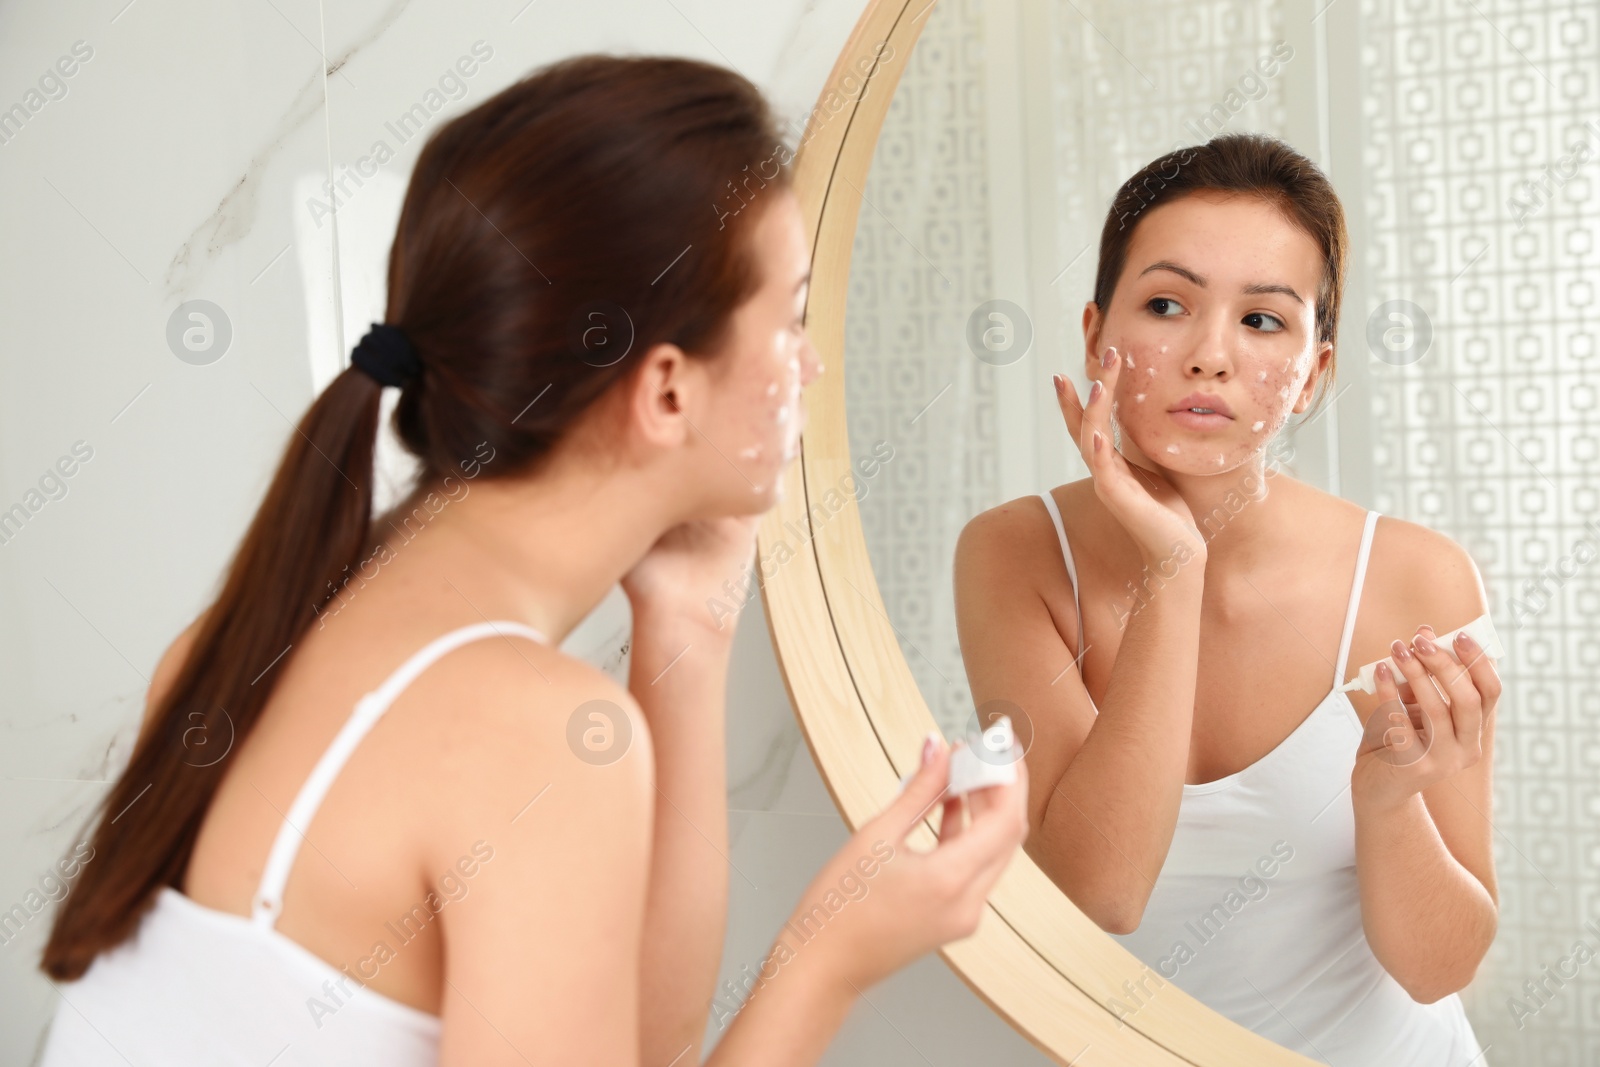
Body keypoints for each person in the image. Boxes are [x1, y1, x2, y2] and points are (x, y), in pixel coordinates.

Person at [37, 53, 1029, 1067]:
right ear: (668, 391)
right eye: (793, 318)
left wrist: (688, 628)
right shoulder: (525, 736)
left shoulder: (240, 643)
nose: (812, 364)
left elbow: (639, 1046)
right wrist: (832, 959)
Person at [953, 133, 1499, 1064]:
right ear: (1095, 335)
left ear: (1315, 370)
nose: (1210, 355)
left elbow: (1441, 967)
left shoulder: (1413, 579)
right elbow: (1101, 893)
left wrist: (1391, 800)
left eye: (1262, 321)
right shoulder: (1015, 554)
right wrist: (1174, 568)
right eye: (1167, 304)